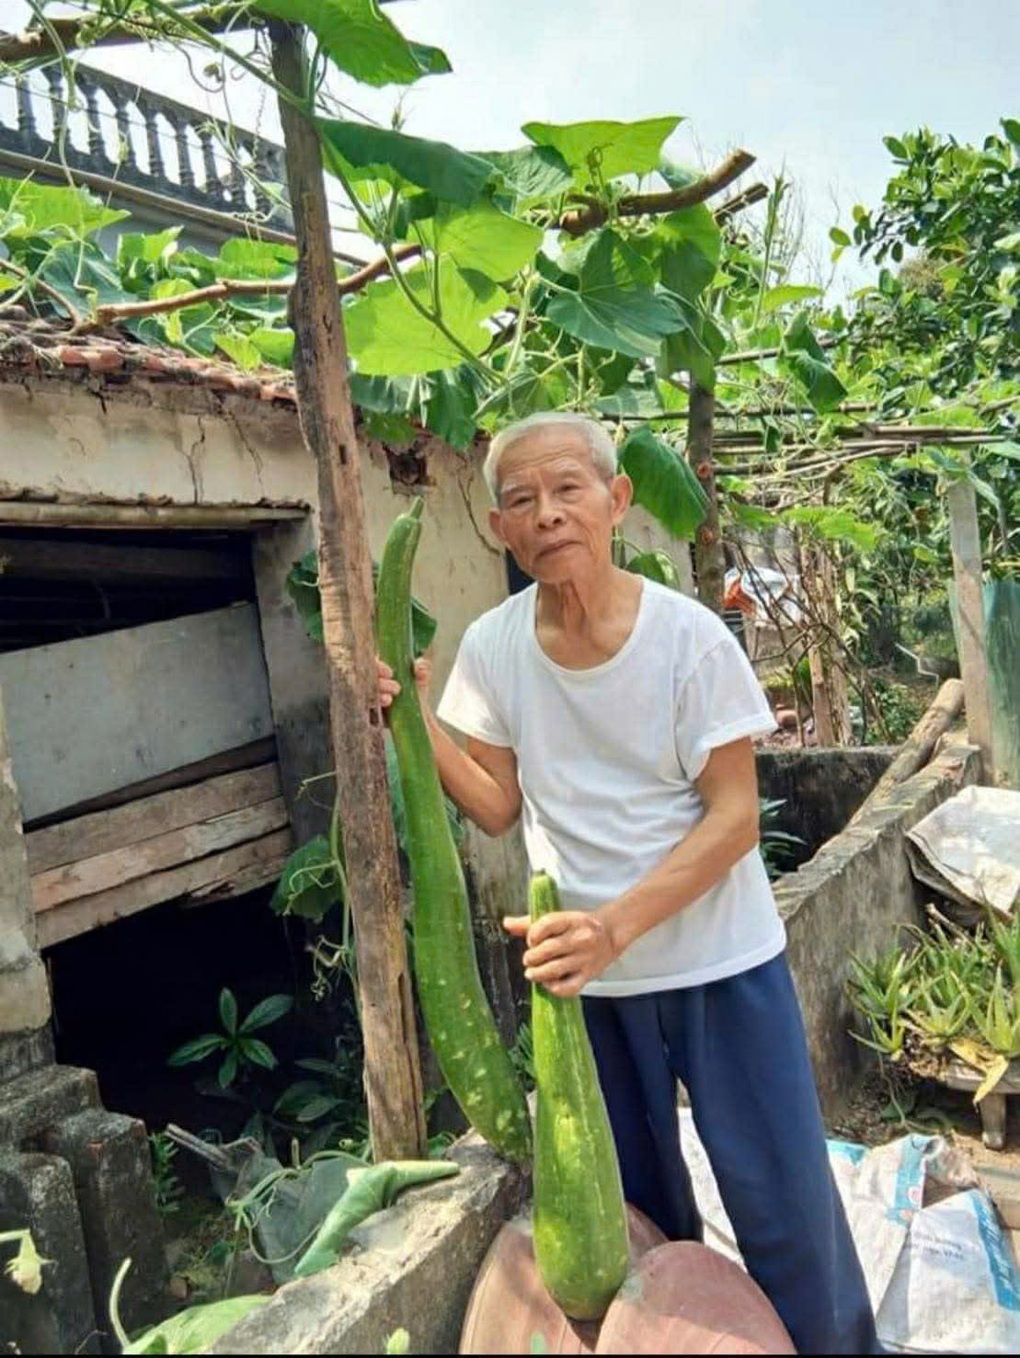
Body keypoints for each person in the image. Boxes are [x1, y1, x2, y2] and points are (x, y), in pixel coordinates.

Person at [377, 411, 881, 1354]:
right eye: (520, 500)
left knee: (785, 1205)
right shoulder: (491, 648)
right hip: (591, 987)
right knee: (638, 1223)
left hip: (720, 963)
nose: (547, 515)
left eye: (569, 490)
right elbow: (493, 806)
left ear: (616, 502)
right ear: (498, 528)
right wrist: (410, 713)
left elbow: (734, 820)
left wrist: (614, 924)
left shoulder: (689, 641)